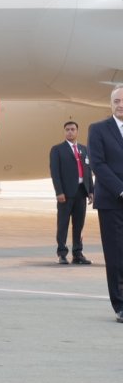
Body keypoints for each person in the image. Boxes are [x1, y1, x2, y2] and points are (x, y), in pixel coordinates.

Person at [88, 87, 123, 322]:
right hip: (112, 201)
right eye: (116, 101)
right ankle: (120, 305)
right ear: (110, 104)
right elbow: (98, 164)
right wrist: (121, 189)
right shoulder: (98, 129)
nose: (120, 105)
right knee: (116, 254)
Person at [50, 121, 93, 265]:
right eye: (67, 129)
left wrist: (91, 191)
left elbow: (88, 172)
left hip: (81, 192)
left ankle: (77, 253)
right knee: (63, 224)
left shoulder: (84, 149)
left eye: (72, 129)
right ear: (64, 132)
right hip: (65, 194)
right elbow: (55, 173)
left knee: (79, 225)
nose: (70, 132)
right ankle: (62, 253)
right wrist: (59, 192)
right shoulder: (57, 150)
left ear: (77, 131)